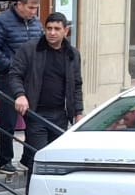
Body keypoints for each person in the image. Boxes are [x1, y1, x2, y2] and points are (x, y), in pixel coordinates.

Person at [10, 12, 83, 161]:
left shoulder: (72, 54)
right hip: (36, 114)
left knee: (56, 159)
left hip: (61, 115)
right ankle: (32, 183)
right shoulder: (30, 49)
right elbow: (14, 75)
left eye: (57, 29)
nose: (52, 33)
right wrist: (20, 94)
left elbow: (76, 84)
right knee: (38, 158)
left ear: (66, 31)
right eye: (49, 28)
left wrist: (78, 112)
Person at [0, 0, 42, 172]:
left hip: (31, 77)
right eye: (30, 8)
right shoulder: (2, 21)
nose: (34, 12)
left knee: (33, 120)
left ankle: (28, 158)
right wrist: (10, 66)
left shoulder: (35, 23)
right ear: (19, 4)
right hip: (9, 78)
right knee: (8, 121)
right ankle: (4, 160)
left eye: (36, 8)